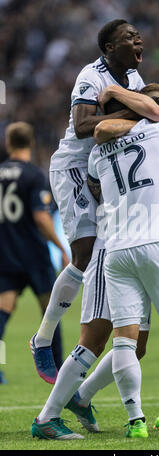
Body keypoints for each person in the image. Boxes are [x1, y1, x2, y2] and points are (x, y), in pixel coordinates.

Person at [31, 89, 159, 440]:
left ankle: (129, 419)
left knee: (130, 342)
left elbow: (96, 183)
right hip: (153, 242)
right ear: (143, 108)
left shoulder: (97, 151)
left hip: (116, 247)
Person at [29, 19, 145, 385]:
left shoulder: (136, 83)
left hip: (106, 170)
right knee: (84, 251)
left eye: (138, 35)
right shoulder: (91, 75)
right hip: (75, 168)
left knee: (110, 252)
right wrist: (139, 111)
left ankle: (82, 383)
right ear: (110, 48)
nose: (138, 40)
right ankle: (43, 337)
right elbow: (83, 126)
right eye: (129, 37)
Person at [0, 122, 68, 384]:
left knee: (4, 308)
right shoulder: (33, 175)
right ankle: (60, 369)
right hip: (34, 254)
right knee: (51, 311)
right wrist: (61, 247)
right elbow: (41, 217)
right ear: (31, 143)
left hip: (6, 253)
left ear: (9, 143)